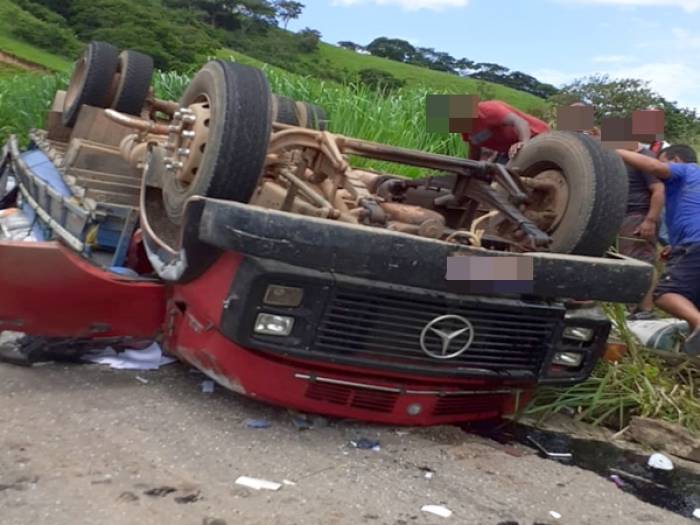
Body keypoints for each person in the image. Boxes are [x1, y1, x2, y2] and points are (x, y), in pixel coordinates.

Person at [616, 144, 700, 354]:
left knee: (665, 293)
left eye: (665, 161)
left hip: (695, 243)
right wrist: (675, 246)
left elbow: (653, 167)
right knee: (692, 300)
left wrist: (610, 150)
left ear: (676, 160)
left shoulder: (687, 169)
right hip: (689, 243)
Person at [618, 143, 665, 320]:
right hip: (624, 216)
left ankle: (646, 311)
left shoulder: (645, 158)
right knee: (627, 261)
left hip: (640, 215)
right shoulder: (622, 156)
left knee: (642, 262)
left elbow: (659, 189)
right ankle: (631, 308)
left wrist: (650, 220)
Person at [461, 100, 550, 162]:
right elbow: (474, 148)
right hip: (510, 150)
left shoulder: (488, 109)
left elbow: (520, 122)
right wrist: (470, 167)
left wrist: (523, 143)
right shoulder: (464, 127)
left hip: (538, 136)